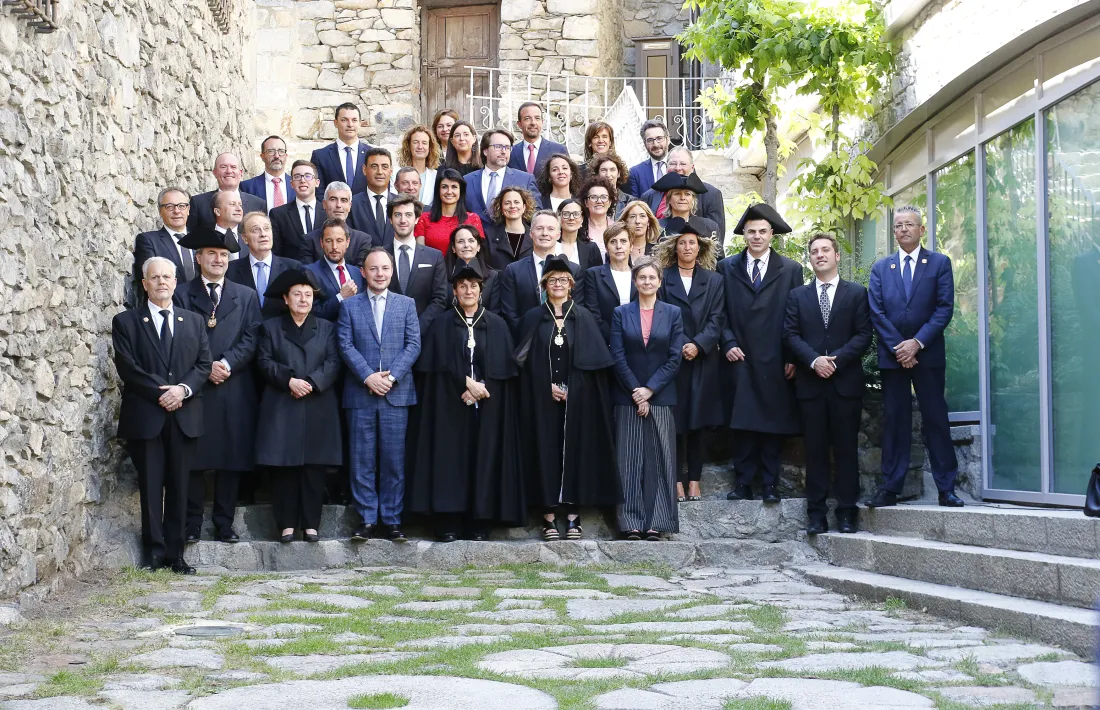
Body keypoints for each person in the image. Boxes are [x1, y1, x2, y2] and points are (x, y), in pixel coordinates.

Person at [407, 261, 525, 541]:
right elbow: (435, 364)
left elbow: (503, 365)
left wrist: (481, 387)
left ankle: (479, 521)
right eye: (462, 286)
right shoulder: (442, 324)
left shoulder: (496, 324)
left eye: (473, 285)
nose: (468, 290)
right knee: (450, 460)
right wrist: (464, 382)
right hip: (450, 405)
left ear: (481, 290)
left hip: (488, 405)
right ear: (455, 291)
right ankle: (449, 521)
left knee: (483, 459)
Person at [113, 256, 212, 573]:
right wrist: (163, 393)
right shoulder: (126, 322)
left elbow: (203, 365)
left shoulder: (193, 321)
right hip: (147, 416)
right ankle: (153, 553)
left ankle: (176, 554)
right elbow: (129, 368)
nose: (161, 282)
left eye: (167, 277)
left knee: (181, 487)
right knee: (151, 487)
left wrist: (182, 390)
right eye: (154, 278)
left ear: (175, 282)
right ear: (144, 284)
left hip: (184, 415)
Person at [514, 255, 618, 541]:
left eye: (562, 280)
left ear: (571, 285)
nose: (557, 284)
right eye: (552, 280)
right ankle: (548, 517)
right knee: (544, 452)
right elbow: (523, 362)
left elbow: (594, 365)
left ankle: (573, 516)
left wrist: (575, 387)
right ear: (544, 285)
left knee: (576, 453)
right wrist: (544, 386)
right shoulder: (534, 317)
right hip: (541, 400)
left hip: (578, 400)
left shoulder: (583, 316)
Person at [867, 206, 963, 508]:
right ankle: (890, 488)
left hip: (928, 355)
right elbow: (876, 312)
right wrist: (900, 347)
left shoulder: (939, 263)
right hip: (893, 356)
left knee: (935, 419)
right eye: (898, 226)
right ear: (894, 232)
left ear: (922, 230)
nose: (904, 229)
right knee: (895, 421)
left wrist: (917, 343)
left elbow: (944, 308)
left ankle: (947, 488)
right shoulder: (882, 268)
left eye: (909, 224)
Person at [172, 228, 262, 544]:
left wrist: (226, 364)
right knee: (196, 457)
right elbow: (179, 337)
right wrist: (205, 366)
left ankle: (225, 523)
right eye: (211, 254)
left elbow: (252, 337)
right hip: (196, 386)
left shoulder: (246, 295)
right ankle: (192, 523)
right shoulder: (181, 294)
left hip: (233, 387)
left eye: (224, 255)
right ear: (198, 258)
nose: (218, 259)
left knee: (230, 457)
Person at [784, 233, 873, 534]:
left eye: (825, 250)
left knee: (847, 450)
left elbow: (864, 334)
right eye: (814, 251)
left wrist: (836, 361)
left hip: (845, 383)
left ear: (837, 256)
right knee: (816, 450)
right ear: (809, 259)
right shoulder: (798, 296)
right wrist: (814, 361)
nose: (819, 255)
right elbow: (791, 335)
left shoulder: (857, 293)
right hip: (811, 386)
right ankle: (816, 514)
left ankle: (847, 513)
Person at [719, 203, 805, 503]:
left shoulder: (792, 270)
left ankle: (770, 483)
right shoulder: (726, 268)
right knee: (742, 420)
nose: (756, 236)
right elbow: (719, 313)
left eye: (762, 232)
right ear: (744, 234)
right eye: (751, 231)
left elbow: (797, 315)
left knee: (773, 419)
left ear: (772, 235)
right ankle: (743, 482)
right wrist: (728, 342)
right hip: (740, 354)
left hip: (776, 356)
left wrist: (793, 356)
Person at [337, 248, 422, 542]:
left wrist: (392, 377)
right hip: (361, 393)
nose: (380, 274)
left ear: (392, 271)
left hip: (396, 394)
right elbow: (345, 345)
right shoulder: (349, 306)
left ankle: (392, 520)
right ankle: (367, 520)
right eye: (374, 269)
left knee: (394, 460)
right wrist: (368, 376)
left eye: (385, 269)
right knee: (362, 459)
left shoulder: (406, 304)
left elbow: (413, 345)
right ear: (363, 272)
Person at [255, 268, 344, 542]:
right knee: (285, 466)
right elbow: (264, 361)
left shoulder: (327, 328)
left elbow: (334, 362)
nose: (303, 299)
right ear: (285, 298)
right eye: (297, 294)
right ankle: (286, 524)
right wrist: (289, 380)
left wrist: (313, 381)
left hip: (317, 403)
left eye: (308, 295)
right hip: (283, 402)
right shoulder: (270, 328)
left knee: (313, 468)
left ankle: (311, 524)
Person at [610, 257, 684, 540]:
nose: (647, 282)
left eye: (652, 278)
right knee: (628, 460)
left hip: (661, 396)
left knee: (659, 459)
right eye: (642, 278)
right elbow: (617, 355)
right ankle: (630, 522)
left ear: (659, 282)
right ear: (635, 281)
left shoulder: (673, 313)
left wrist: (650, 390)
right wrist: (636, 391)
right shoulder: (621, 313)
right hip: (626, 394)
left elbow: (674, 357)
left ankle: (657, 521)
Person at [655, 217, 726, 503]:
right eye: (682, 242)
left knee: (697, 423)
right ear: (674, 247)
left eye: (692, 243)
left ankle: (695, 480)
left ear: (700, 248)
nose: (687, 247)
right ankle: (676, 482)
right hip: (672, 360)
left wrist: (698, 344)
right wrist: (682, 343)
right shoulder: (663, 276)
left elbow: (717, 317)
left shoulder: (714, 280)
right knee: (674, 424)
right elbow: (659, 311)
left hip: (702, 361)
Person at [500, 210, 586, 336]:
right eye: (539, 228)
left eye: (550, 229)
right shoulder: (513, 270)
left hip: (565, 340)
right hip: (527, 342)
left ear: (558, 234)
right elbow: (510, 314)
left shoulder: (574, 270)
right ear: (531, 233)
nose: (545, 233)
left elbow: (578, 310)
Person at [641, 146, 727, 247]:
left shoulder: (711, 194)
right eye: (673, 163)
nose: (678, 168)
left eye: (683, 164)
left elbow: (717, 238)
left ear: (692, 167)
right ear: (666, 167)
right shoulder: (649, 195)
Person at [386, 195, 447, 333]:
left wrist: (417, 328)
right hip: (387, 334)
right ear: (390, 219)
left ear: (417, 219)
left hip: (425, 334)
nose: (403, 220)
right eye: (397, 215)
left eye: (408, 215)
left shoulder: (434, 256)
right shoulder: (379, 255)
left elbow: (440, 298)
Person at [227, 211, 302, 320]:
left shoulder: (293, 268)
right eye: (255, 230)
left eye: (267, 228)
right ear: (244, 238)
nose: (263, 234)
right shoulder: (231, 270)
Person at [465, 128, 541, 223]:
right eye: (498, 146)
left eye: (507, 147)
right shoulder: (467, 180)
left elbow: (536, 215)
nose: (504, 151)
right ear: (485, 151)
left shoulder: (525, 179)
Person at [133, 188, 196, 299]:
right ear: (160, 211)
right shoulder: (149, 241)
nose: (177, 211)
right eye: (170, 207)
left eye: (182, 206)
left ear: (188, 209)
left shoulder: (200, 240)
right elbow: (151, 278)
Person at [292, 182, 374, 265]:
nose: (338, 205)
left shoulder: (362, 240)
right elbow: (308, 274)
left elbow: (361, 273)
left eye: (343, 200)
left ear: (350, 206)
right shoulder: (309, 241)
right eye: (333, 199)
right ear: (324, 204)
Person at [187, 153, 267, 232]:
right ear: (214, 172)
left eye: (233, 167)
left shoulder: (258, 204)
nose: (229, 171)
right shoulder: (198, 203)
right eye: (223, 167)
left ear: (240, 173)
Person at [304, 218, 365, 321]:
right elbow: (311, 312)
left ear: (347, 242)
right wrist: (341, 297)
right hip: (329, 335)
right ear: (321, 243)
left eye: (339, 240)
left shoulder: (357, 273)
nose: (334, 247)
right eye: (329, 241)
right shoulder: (309, 273)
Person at [585, 221, 636, 343]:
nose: (618, 246)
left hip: (638, 343)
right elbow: (594, 314)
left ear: (631, 246)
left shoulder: (641, 275)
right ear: (607, 247)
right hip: (606, 343)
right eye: (613, 242)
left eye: (623, 241)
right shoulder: (594, 275)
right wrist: (615, 338)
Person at [415, 167, 485, 252]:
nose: (449, 191)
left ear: (461, 191)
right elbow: (421, 253)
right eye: (444, 187)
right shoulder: (424, 218)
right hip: (432, 265)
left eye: (454, 187)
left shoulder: (473, 219)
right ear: (438, 190)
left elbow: (477, 252)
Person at [310, 102, 372, 196]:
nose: (350, 124)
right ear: (336, 123)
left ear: (359, 123)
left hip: (365, 210)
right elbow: (318, 193)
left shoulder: (372, 154)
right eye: (344, 120)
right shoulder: (321, 156)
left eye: (354, 120)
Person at [270, 160, 327, 260]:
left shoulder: (328, 212)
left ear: (317, 182)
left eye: (308, 176)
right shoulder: (278, 214)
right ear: (291, 184)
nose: (302, 180)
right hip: (292, 273)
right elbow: (276, 254)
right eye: (297, 176)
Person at [445, 224, 502, 313]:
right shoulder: (442, 276)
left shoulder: (493, 277)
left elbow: (495, 311)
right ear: (453, 248)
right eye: (460, 241)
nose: (466, 245)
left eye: (471, 241)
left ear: (478, 246)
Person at [349, 147, 397, 247]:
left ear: (391, 171)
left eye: (384, 167)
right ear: (364, 170)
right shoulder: (352, 204)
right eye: (374, 166)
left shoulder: (400, 203)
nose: (380, 172)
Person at [651, 172, 719, 242]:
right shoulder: (656, 227)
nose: (682, 198)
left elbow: (717, 252)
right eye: (677, 194)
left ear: (693, 199)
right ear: (669, 200)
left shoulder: (709, 227)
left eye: (687, 194)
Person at [484, 185, 535, 271]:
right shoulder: (489, 235)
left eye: (516, 202)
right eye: (507, 203)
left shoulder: (534, 235)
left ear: (524, 207)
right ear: (501, 208)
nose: (512, 206)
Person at [509, 102, 568, 175]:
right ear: (519, 124)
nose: (533, 122)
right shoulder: (511, 152)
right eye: (527, 118)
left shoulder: (559, 150)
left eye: (537, 118)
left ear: (542, 122)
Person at [240, 135, 292, 212]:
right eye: (271, 151)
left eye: (281, 151)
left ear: (286, 156)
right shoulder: (247, 187)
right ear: (262, 156)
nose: (277, 156)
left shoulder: (296, 184)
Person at [396, 124, 439, 206]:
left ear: (430, 147)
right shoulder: (395, 174)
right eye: (415, 142)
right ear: (409, 146)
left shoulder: (436, 176)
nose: (420, 146)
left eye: (424, 143)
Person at [626, 120, 671, 198]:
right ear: (644, 144)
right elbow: (635, 205)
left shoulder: (681, 167)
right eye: (650, 140)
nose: (656, 144)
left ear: (668, 140)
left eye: (659, 138)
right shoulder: (635, 173)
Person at [557, 198, 602, 270]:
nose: (571, 218)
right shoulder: (550, 244)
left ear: (582, 219)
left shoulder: (591, 248)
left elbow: (596, 277)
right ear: (559, 218)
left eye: (576, 214)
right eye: (566, 214)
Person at [577, 176, 615, 260]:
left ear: (610, 202)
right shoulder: (579, 228)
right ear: (586, 202)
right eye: (593, 197)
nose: (599, 201)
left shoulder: (617, 228)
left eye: (604, 197)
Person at [589, 152, 634, 217]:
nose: (608, 175)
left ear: (618, 173)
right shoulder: (590, 201)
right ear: (597, 174)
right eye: (603, 170)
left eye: (612, 170)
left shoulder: (630, 201)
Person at [211, 190, 247, 259]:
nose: (239, 209)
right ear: (217, 211)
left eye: (240, 205)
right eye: (232, 204)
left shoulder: (248, 239)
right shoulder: (206, 239)